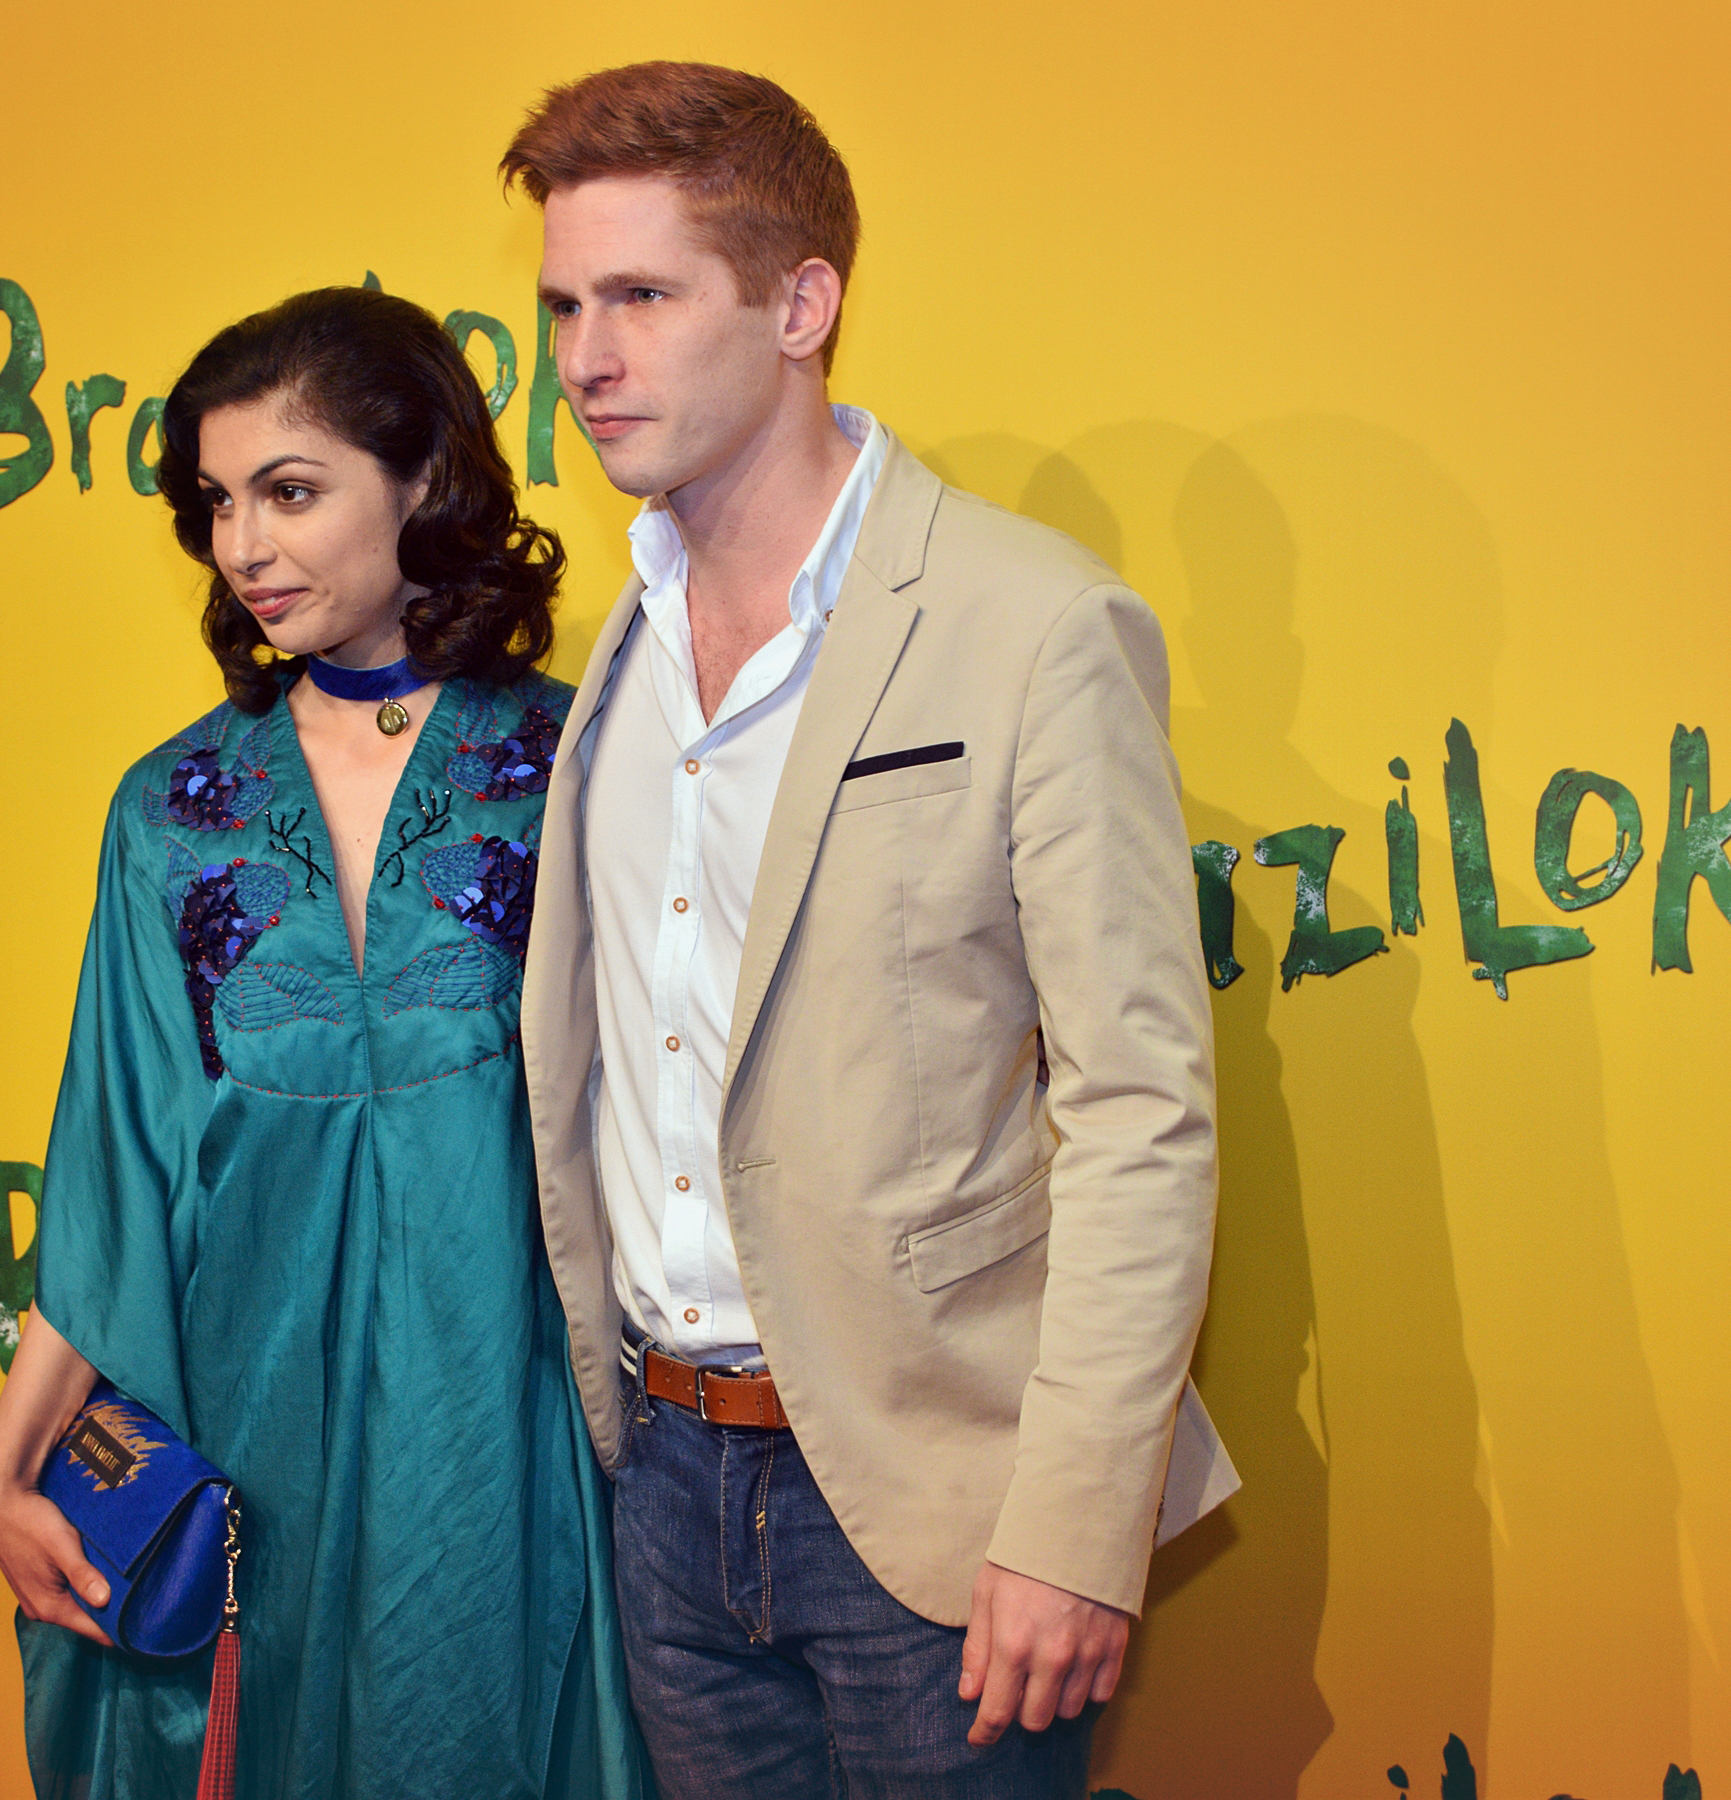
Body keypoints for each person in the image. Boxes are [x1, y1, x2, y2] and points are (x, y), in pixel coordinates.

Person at [502, 63, 1236, 1799]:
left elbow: (1140, 1108)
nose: (585, 357)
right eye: (564, 307)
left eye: (641, 296)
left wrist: (1073, 1526)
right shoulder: (622, 643)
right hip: (664, 1486)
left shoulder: (1032, 624)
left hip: (939, 1502)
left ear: (800, 305)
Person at [0, 286, 647, 1800]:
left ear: (423, 480)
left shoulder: (578, 761)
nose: (243, 548)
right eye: (216, 504)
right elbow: (125, 1166)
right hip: (251, 1419)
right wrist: (6, 1451)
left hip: (514, 1419)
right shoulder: (171, 805)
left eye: (289, 491)